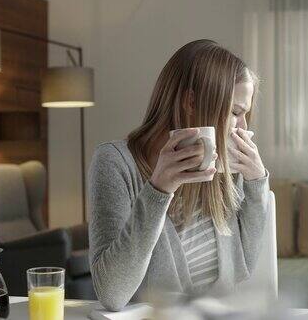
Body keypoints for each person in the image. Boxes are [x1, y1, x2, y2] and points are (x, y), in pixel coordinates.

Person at [87, 39, 270, 311]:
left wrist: (257, 183)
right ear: (191, 101)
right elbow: (112, 295)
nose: (242, 127)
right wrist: (158, 190)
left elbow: (244, 271)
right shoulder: (115, 163)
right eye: (235, 112)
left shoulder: (226, 166)